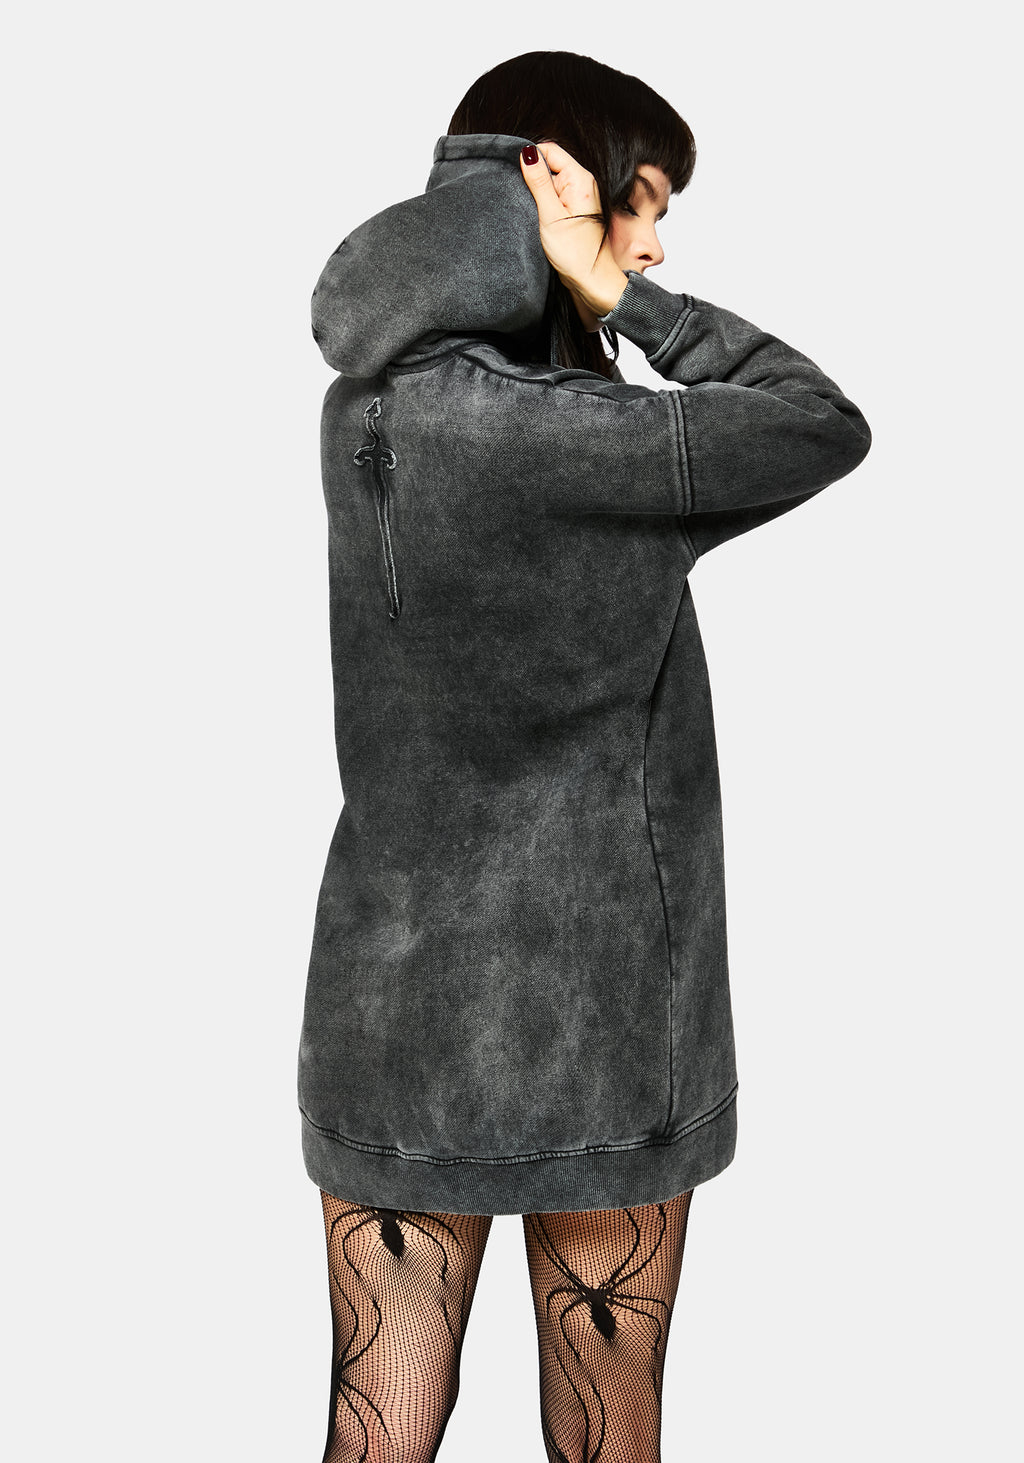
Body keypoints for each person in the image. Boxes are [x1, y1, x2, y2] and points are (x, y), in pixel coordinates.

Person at [298, 50, 871, 1463]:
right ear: (551, 178)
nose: (655, 242)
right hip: (610, 1008)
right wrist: (625, 304)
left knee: (377, 1423)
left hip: (390, 1000)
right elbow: (820, 423)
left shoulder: (364, 414)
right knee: (610, 1432)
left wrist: (537, 256)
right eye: (645, 201)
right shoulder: (582, 435)